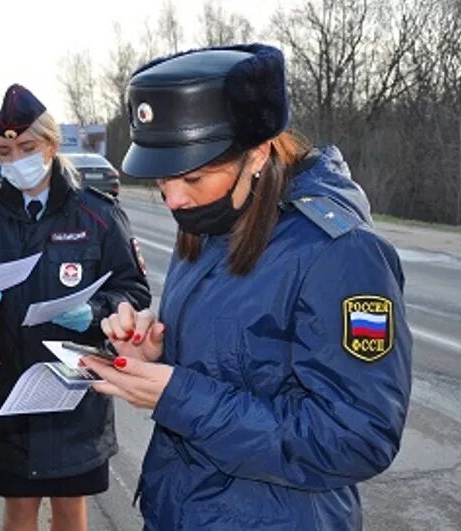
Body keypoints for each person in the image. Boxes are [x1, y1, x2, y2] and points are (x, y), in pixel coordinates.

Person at [81, 44, 412, 530]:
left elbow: (358, 437)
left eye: (193, 176)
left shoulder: (340, 253)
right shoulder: (208, 222)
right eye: (161, 181)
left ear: (257, 152)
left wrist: (179, 395)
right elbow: (240, 361)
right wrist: (156, 353)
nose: (173, 200)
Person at [0, 84, 151, 531]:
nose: (16, 158)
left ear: (52, 145)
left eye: (27, 147)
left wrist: (95, 311)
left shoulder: (96, 214)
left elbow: (134, 291)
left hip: (73, 388)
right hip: (7, 386)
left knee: (70, 507)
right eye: (5, 150)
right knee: (18, 508)